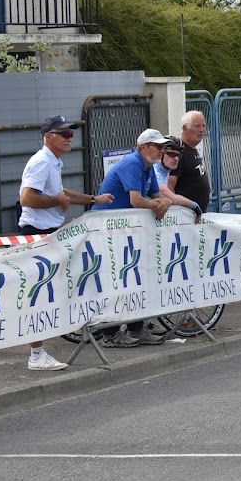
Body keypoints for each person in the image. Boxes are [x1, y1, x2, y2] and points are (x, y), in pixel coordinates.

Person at [17, 115, 114, 370]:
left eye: (72, 133)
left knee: (59, 287)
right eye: (65, 134)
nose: (71, 138)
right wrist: (58, 202)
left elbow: (62, 193)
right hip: (38, 232)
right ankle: (36, 355)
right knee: (38, 295)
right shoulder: (41, 162)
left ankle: (67, 332)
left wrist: (95, 199)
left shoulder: (52, 162)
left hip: (48, 230)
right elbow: (27, 198)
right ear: (49, 137)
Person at [93, 128, 176, 347]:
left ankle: (137, 328)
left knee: (138, 278)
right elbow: (136, 200)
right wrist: (159, 204)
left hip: (128, 232)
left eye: (162, 147)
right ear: (143, 147)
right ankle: (110, 334)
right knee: (118, 281)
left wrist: (165, 201)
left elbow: (156, 194)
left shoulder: (147, 167)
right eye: (157, 146)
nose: (161, 150)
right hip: (110, 231)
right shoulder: (132, 164)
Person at [153, 136, 204, 219]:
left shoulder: (165, 172)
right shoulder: (155, 170)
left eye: (179, 155)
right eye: (171, 154)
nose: (176, 158)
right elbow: (171, 198)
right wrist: (194, 206)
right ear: (161, 154)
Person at [168, 111, 209, 213]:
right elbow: (169, 187)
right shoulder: (178, 153)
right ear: (185, 128)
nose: (202, 130)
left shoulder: (193, 149)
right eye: (197, 126)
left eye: (203, 126)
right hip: (186, 217)